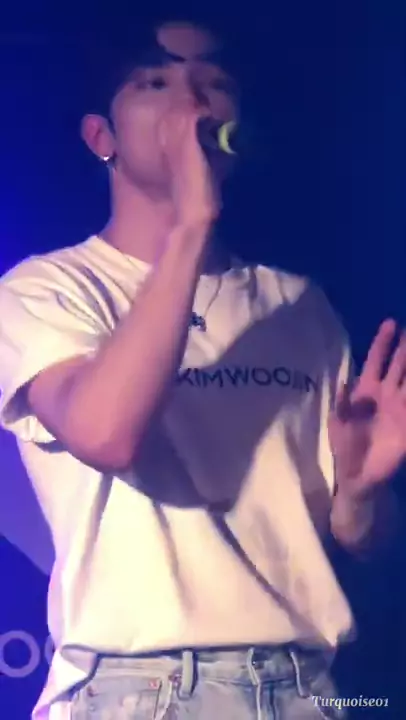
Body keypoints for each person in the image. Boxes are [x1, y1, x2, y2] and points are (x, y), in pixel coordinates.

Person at [0, 17, 404, 720]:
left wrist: (362, 495)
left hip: (307, 686)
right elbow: (106, 433)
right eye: (156, 81)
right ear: (101, 137)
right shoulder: (47, 289)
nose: (193, 101)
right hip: (143, 688)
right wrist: (191, 225)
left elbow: (360, 540)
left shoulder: (295, 304)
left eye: (214, 82)